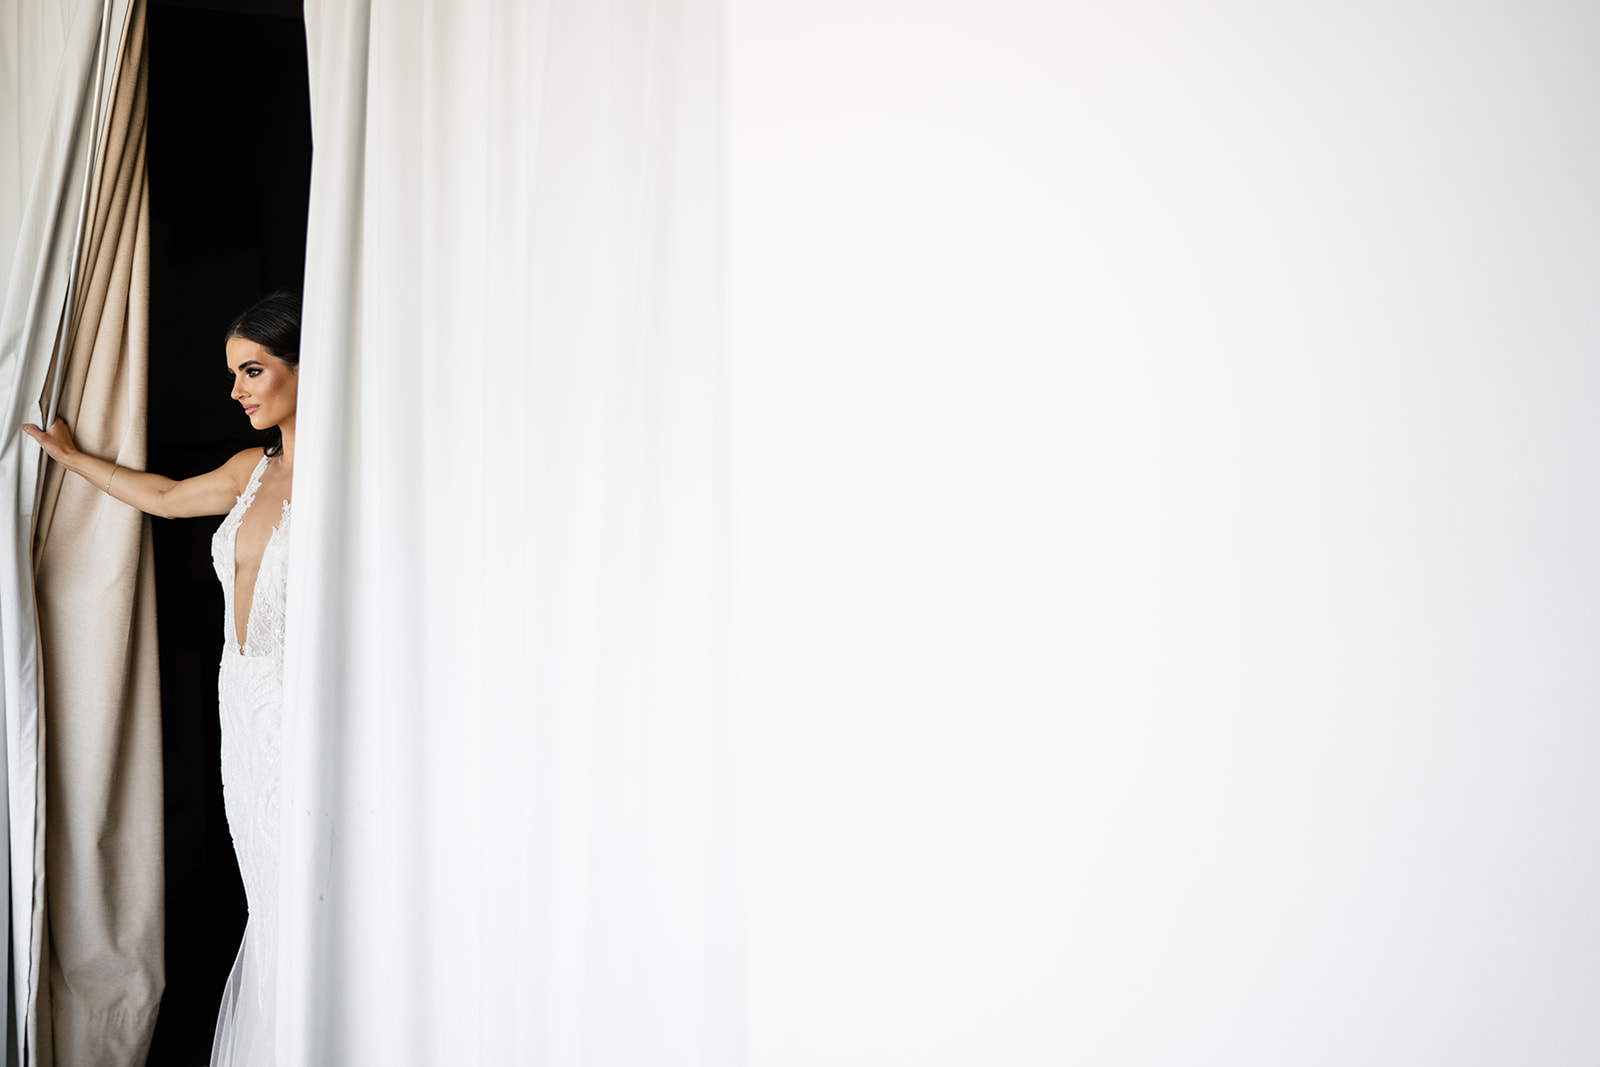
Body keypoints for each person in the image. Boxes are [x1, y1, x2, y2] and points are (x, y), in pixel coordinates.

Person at [24, 290, 300, 1066]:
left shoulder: (347, 487)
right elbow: (170, 498)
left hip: (301, 713)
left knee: (298, 892)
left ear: (306, 368)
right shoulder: (253, 468)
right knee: (265, 899)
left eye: (253, 370)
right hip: (242, 710)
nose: (238, 391)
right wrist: (76, 461)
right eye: (233, 374)